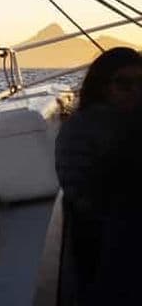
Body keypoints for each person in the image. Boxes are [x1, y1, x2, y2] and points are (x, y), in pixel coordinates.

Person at [55, 47, 142, 305]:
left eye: (141, 83)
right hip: (110, 250)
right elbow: (82, 195)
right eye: (124, 84)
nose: (136, 91)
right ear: (102, 86)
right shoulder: (80, 131)